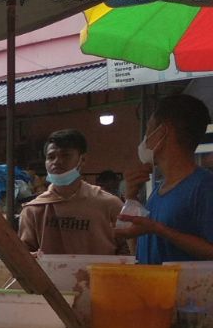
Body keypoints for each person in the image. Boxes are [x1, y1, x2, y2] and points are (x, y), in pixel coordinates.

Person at [118, 93, 213, 264]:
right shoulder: (158, 190)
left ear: (163, 130)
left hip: (187, 290)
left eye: (148, 129)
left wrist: (160, 229)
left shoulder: (204, 187)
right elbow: (138, 254)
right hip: (153, 288)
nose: (145, 138)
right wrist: (131, 199)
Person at [18, 130, 127, 256]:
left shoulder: (109, 205)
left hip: (98, 275)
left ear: (83, 159)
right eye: (51, 157)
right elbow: (24, 254)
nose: (57, 162)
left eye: (65, 155)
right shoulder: (34, 209)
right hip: (50, 275)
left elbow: (127, 249)